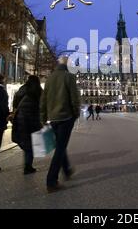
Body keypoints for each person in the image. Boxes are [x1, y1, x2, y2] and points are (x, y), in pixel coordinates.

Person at [40, 56, 80, 193]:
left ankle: (67, 170)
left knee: (59, 145)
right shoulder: (69, 77)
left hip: (53, 118)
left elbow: (44, 99)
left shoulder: (49, 78)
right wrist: (76, 114)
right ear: (67, 64)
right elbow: (75, 97)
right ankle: (51, 180)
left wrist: (43, 117)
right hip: (65, 117)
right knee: (60, 148)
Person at [12, 76, 43, 175]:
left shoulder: (22, 89)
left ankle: (27, 163)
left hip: (20, 117)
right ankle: (28, 166)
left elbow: (15, 102)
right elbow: (42, 105)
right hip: (33, 118)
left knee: (25, 141)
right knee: (32, 143)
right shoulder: (38, 90)